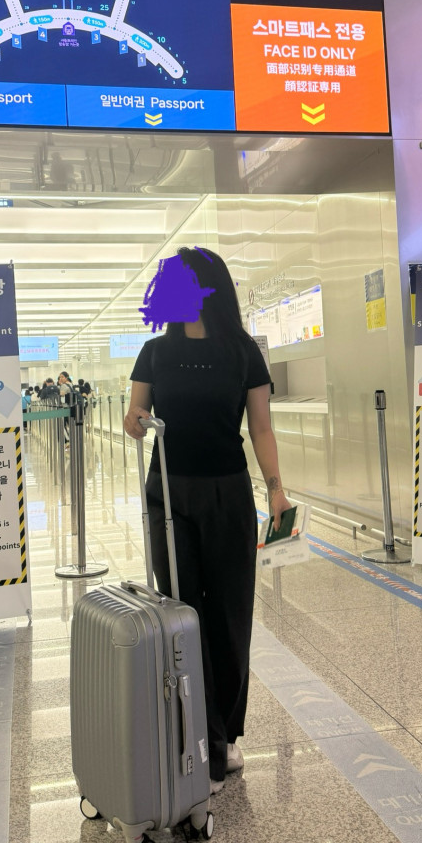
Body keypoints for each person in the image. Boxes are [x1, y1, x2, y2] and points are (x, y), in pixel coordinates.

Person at [124, 246, 291, 795]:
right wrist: (137, 421)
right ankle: (197, 740)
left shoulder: (244, 352)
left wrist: (277, 490)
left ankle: (222, 734)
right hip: (168, 495)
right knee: (181, 613)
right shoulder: (154, 351)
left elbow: (261, 429)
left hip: (226, 493)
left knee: (229, 615)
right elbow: (133, 417)